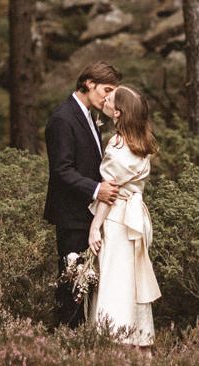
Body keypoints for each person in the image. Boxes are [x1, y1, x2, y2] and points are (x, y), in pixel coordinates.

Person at [44, 61, 122, 328]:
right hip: (72, 215)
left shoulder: (89, 116)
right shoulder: (62, 118)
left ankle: (80, 340)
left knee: (85, 282)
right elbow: (61, 170)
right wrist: (97, 189)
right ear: (89, 83)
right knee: (72, 284)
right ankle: (65, 340)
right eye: (106, 89)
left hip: (86, 214)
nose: (109, 97)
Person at [87, 85, 161, 350]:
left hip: (119, 220)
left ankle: (114, 342)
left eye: (111, 98)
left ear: (117, 112)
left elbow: (109, 192)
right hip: (136, 219)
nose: (105, 99)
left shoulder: (117, 146)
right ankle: (139, 342)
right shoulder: (141, 142)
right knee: (133, 282)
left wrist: (95, 227)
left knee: (114, 281)